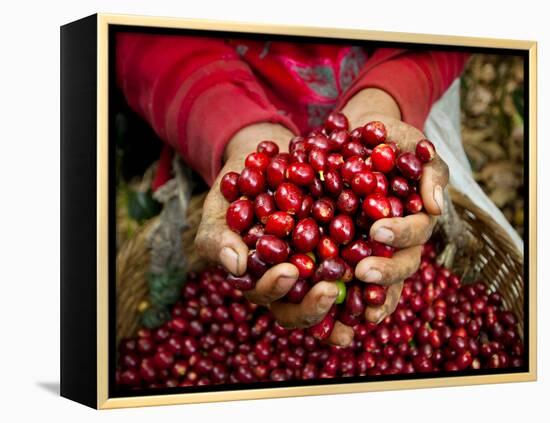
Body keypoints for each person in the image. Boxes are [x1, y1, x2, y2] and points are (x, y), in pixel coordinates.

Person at [116, 33, 469, 346]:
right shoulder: (299, 197)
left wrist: (389, 96)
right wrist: (236, 130)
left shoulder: (340, 187)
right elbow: (136, 34)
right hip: (212, 110)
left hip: (389, 83)